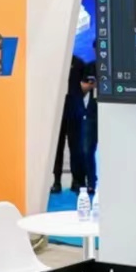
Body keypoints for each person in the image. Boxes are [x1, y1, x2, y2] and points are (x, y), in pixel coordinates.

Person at [51, 55, 87, 194]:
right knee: (56, 147)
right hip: (56, 110)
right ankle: (56, 181)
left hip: (74, 109)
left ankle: (76, 181)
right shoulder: (54, 63)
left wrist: (77, 97)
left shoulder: (79, 63)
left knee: (76, 147)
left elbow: (85, 85)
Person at [65, 61, 98, 194]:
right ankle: (79, 181)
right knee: (76, 149)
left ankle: (91, 181)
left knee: (88, 150)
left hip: (91, 114)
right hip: (76, 113)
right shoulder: (77, 67)